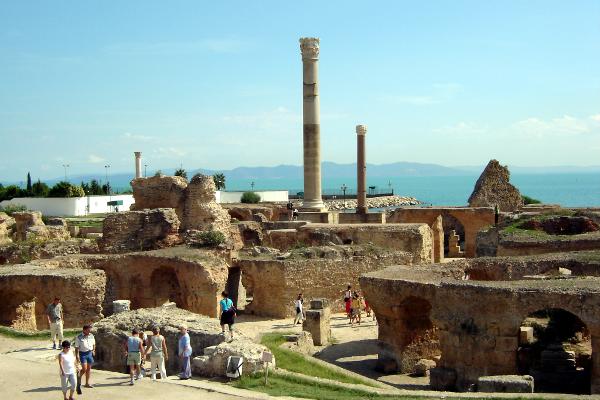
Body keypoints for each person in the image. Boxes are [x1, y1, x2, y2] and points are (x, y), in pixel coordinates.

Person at [74, 324, 96, 393]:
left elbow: (94, 344)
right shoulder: (79, 337)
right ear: (84, 330)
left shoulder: (91, 336)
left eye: (90, 330)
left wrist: (93, 350)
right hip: (82, 354)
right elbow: (76, 347)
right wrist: (77, 356)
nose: (89, 331)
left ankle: (87, 383)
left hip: (89, 353)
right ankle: (78, 380)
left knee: (89, 369)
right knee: (84, 369)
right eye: (88, 330)